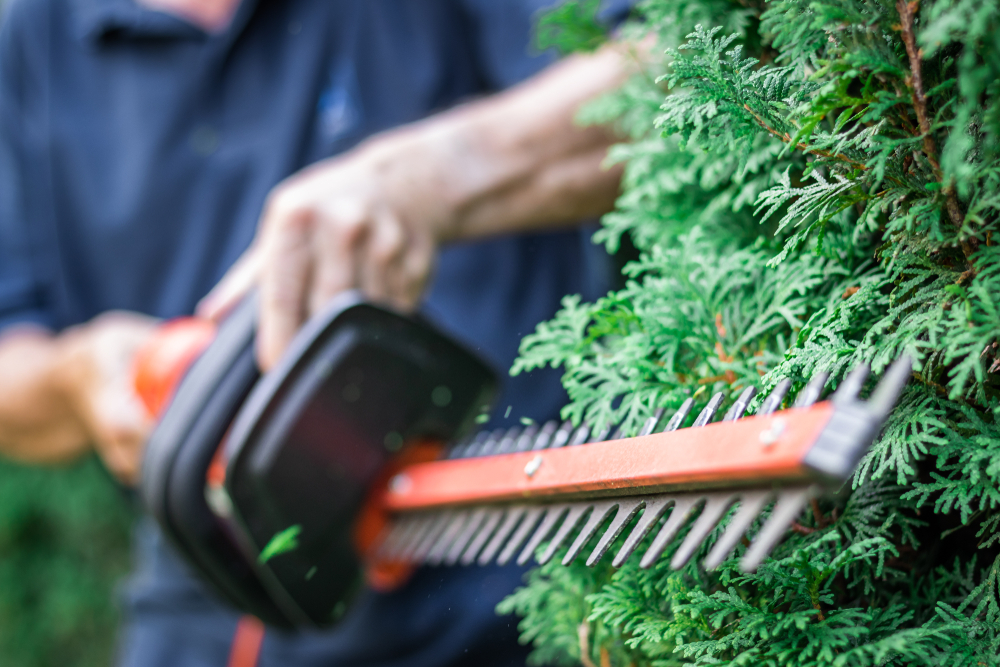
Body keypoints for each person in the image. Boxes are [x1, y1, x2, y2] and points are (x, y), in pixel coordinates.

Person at [0, 0, 636, 665]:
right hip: (212, 592)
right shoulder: (35, 36)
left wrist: (425, 180)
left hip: (508, 554)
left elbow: (679, 74)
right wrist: (78, 376)